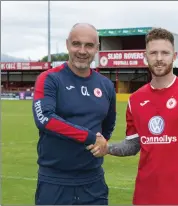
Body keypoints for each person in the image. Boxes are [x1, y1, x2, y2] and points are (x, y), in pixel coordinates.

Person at [87, 28, 178, 205]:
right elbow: (133, 145)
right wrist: (107, 148)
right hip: (144, 197)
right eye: (153, 53)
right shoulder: (135, 100)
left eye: (165, 53)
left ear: (174, 56)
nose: (159, 58)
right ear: (145, 56)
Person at [32, 23, 116, 205]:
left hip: (93, 183)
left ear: (97, 49)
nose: (82, 51)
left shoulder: (106, 85)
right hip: (54, 182)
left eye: (89, 45)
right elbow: (44, 119)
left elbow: (108, 126)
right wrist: (90, 137)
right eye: (76, 44)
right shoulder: (49, 79)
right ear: (67, 45)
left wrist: (101, 143)